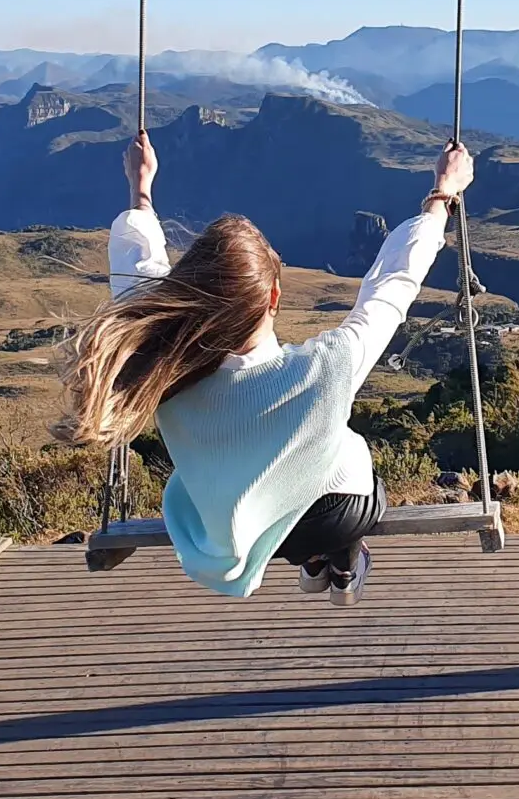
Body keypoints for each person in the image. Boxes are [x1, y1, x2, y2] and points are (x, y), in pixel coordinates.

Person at [59, 132, 474, 605]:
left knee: (286, 468)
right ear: (274, 298)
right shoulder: (327, 366)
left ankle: (317, 560)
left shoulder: (162, 365)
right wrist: (442, 195)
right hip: (338, 514)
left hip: (235, 527)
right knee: (350, 452)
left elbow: (137, 278)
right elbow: (392, 284)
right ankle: (338, 560)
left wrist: (140, 189)